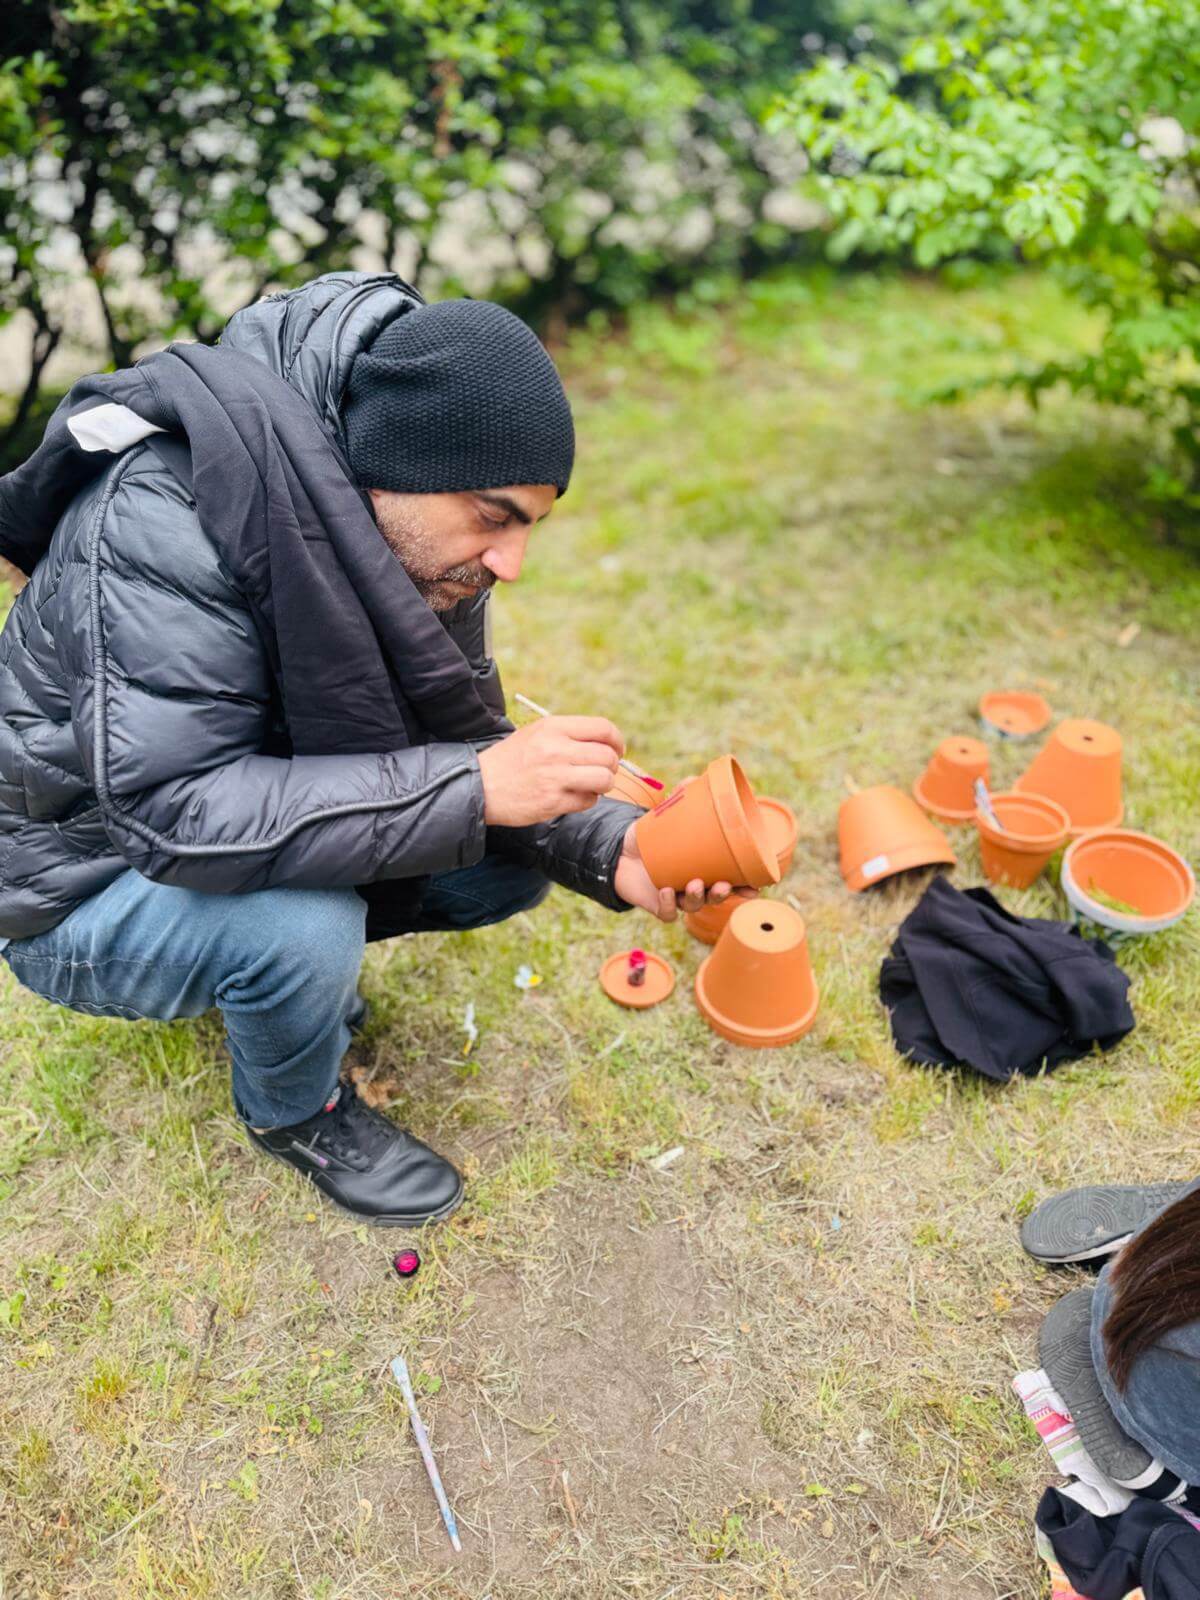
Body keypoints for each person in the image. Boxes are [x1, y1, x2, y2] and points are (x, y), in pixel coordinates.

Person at [0, 273, 731, 1227]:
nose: (510, 561)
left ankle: (278, 991)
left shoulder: (423, 548)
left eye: (530, 527)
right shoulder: (160, 521)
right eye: (494, 515)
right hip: (77, 885)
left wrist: (612, 847)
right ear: (392, 465)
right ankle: (296, 1113)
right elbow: (173, 813)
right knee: (304, 928)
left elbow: (461, 742)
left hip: (216, 822)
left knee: (503, 867)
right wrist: (472, 789)